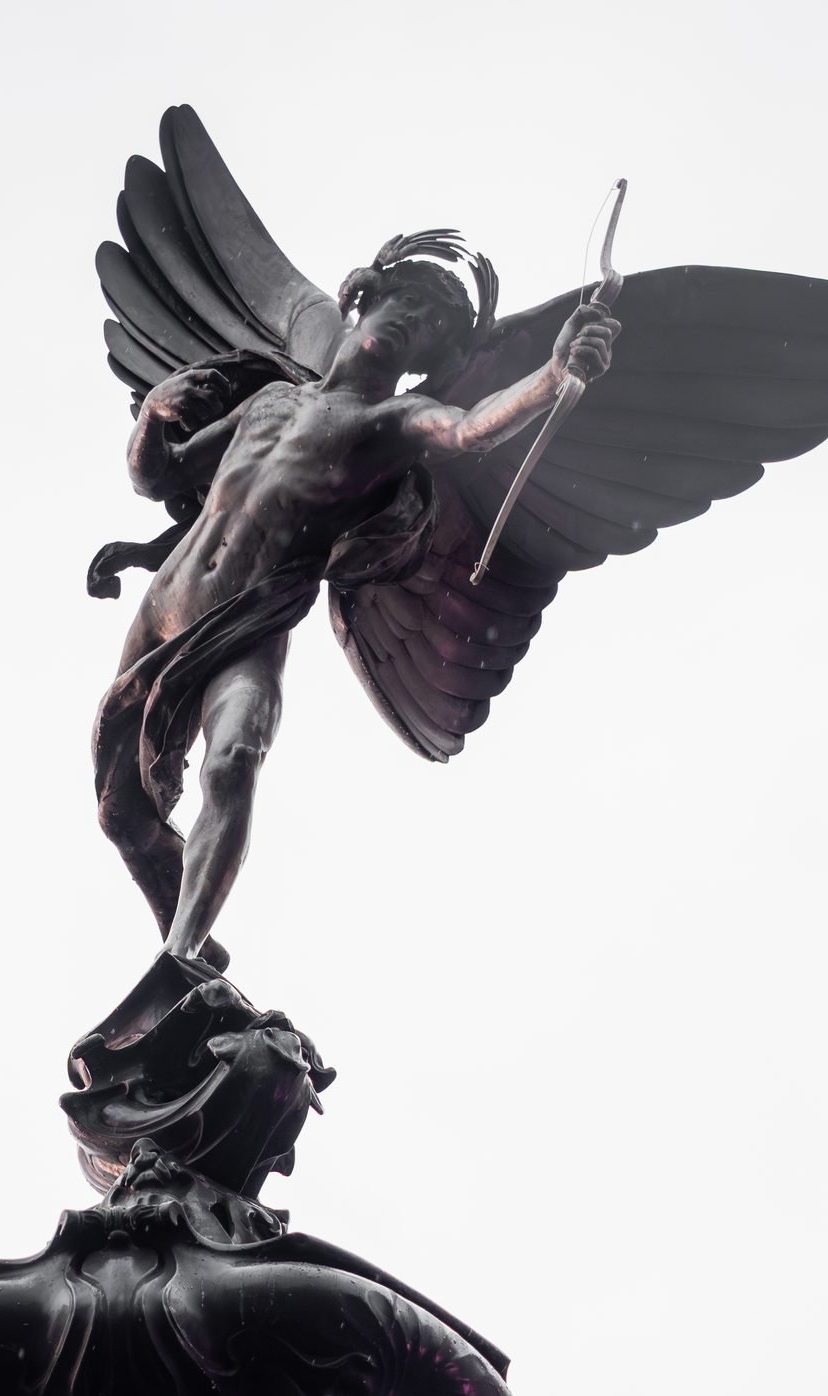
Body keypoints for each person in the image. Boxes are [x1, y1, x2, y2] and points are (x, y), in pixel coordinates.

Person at [93, 248, 620, 966]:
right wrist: (155, 419)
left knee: (234, 759)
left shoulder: (394, 422)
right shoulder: (271, 402)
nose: (416, 332)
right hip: (164, 608)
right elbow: (163, 476)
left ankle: (180, 955)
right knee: (122, 812)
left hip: (246, 627)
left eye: (434, 329)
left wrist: (553, 375)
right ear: (364, 296)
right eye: (412, 309)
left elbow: (469, 429)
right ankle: (187, 938)